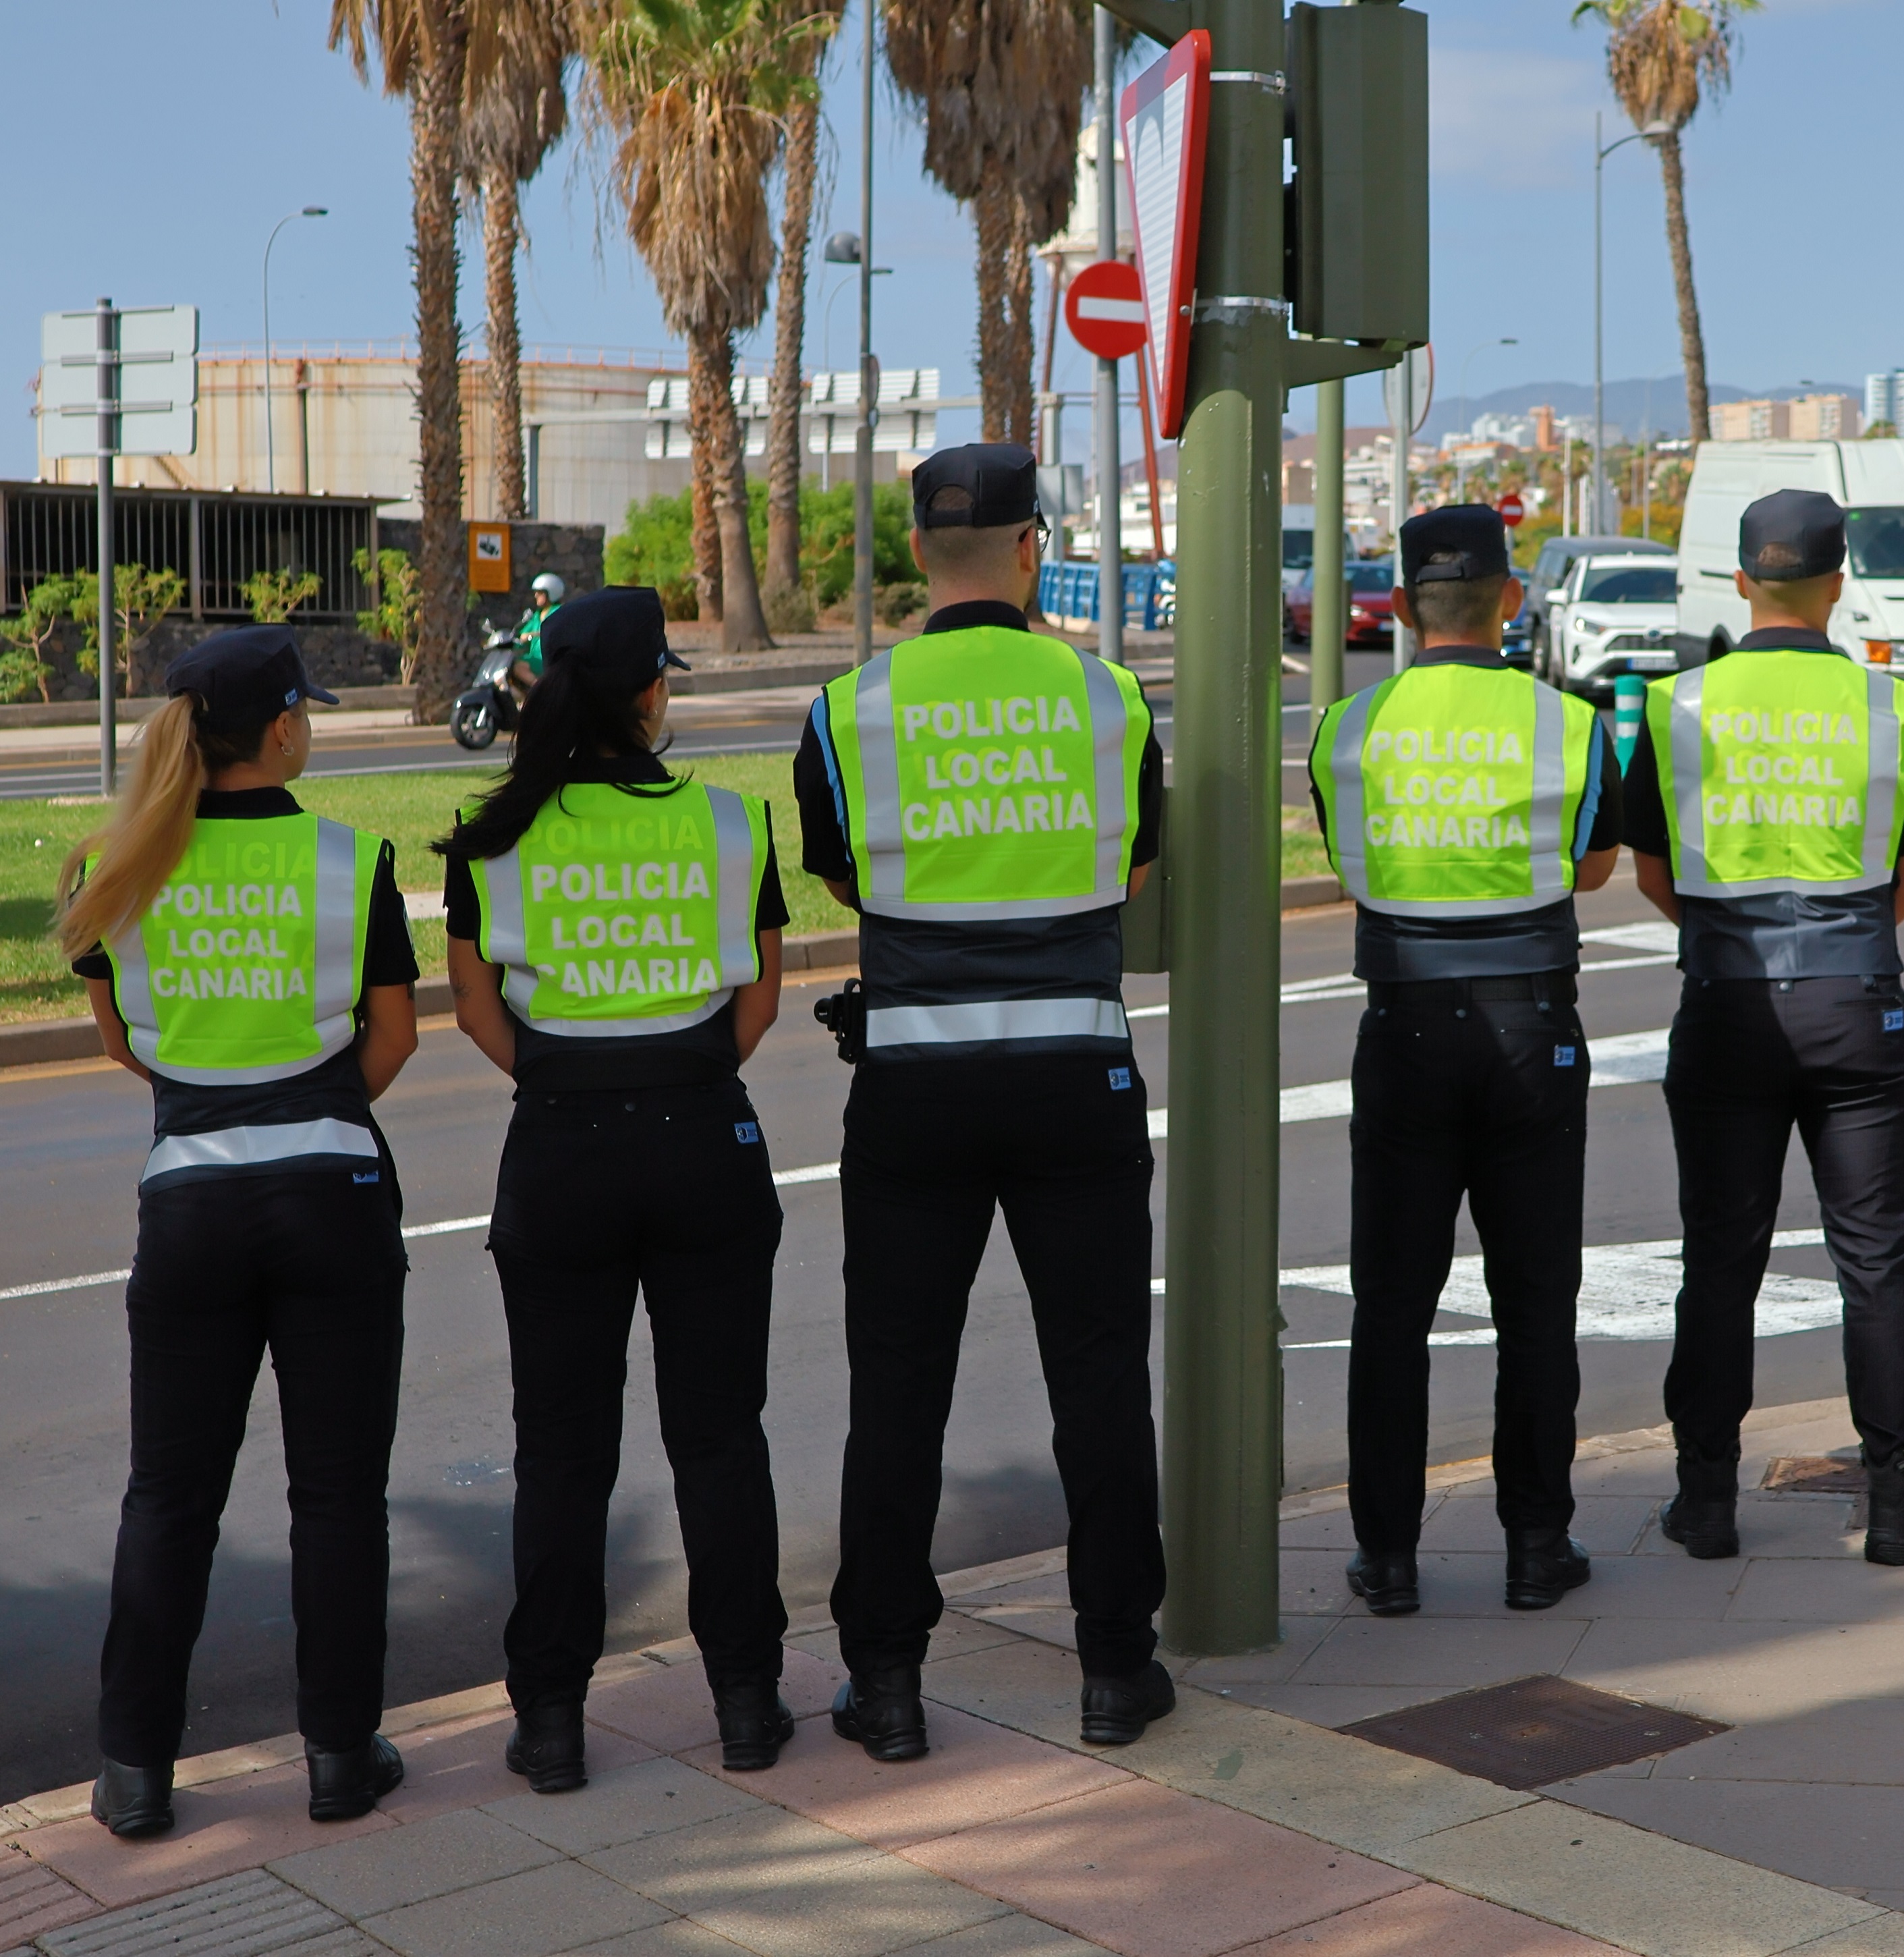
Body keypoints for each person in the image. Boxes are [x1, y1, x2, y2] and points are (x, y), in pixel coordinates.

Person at [792, 443, 1171, 1758]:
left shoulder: (849, 710)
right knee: (1100, 1379)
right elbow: (1130, 862)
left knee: (895, 1388)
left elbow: (841, 877)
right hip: (1076, 1075)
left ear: (916, 555)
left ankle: (887, 1684)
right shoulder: (1107, 695)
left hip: (914, 1083)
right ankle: (1117, 1668)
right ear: (1031, 546)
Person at [58, 626, 420, 1838]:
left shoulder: (107, 869)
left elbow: (121, 1044)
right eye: (304, 713)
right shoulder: (349, 858)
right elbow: (393, 1037)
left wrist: (218, 1102)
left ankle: (133, 1773)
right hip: (330, 1191)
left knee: (168, 1496)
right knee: (337, 1497)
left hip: (190, 1200)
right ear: (280, 730)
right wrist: (306, 1111)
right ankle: (337, 1758)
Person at [437, 586, 794, 1793]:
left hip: (560, 1149)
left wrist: (564, 1082)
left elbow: (477, 1006)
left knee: (562, 1454)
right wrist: (678, 1074)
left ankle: (550, 1723)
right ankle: (747, 1702)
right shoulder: (732, 824)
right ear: (650, 695)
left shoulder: (490, 837)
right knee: (719, 1440)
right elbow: (759, 999)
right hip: (703, 1137)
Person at [1621, 489, 1904, 1569]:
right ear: (1835, 582)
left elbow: (1650, 876)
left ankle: (1705, 1501)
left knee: (1719, 1258)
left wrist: (1736, 935)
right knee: (1877, 1263)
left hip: (1722, 1001)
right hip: (1856, 999)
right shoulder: (1892, 708)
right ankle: (1902, 1502)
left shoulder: (1671, 706)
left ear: (1739, 582)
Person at [1304, 505, 1621, 1618]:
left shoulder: (1347, 727)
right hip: (1533, 1021)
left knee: (1392, 1302)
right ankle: (1537, 1546)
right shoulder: (1571, 724)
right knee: (1536, 1299)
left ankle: (1386, 1557)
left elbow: (1351, 869)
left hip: (1402, 1025)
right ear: (1509, 602)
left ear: (1397, 607)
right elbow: (1589, 873)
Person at [507, 572, 565, 705]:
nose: (536, 596)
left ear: (551, 593)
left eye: (540, 593)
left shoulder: (558, 611)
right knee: (508, 667)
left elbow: (555, 630)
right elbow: (523, 635)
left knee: (519, 666)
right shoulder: (536, 616)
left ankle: (542, 691)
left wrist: (535, 634)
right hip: (535, 658)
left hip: (548, 659)